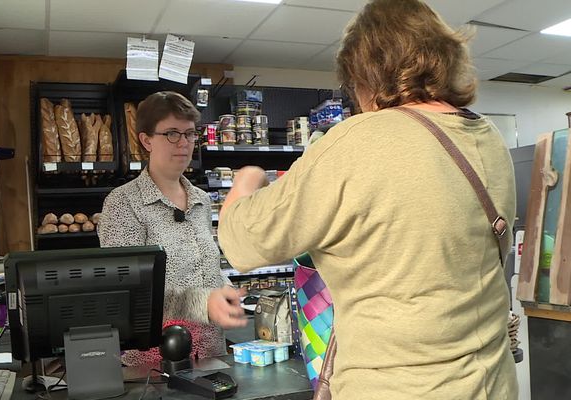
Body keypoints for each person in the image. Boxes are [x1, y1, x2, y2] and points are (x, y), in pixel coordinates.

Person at [218, 1, 518, 399]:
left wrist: (244, 183)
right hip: (492, 382)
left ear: (365, 73)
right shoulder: (489, 138)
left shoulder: (357, 141)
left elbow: (241, 242)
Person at [98, 91, 246, 365]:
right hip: (154, 364)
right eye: (172, 134)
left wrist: (226, 292)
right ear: (146, 140)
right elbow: (131, 294)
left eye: (190, 134)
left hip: (210, 354)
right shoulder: (123, 204)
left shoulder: (201, 200)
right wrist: (203, 304)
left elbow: (206, 269)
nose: (184, 143)